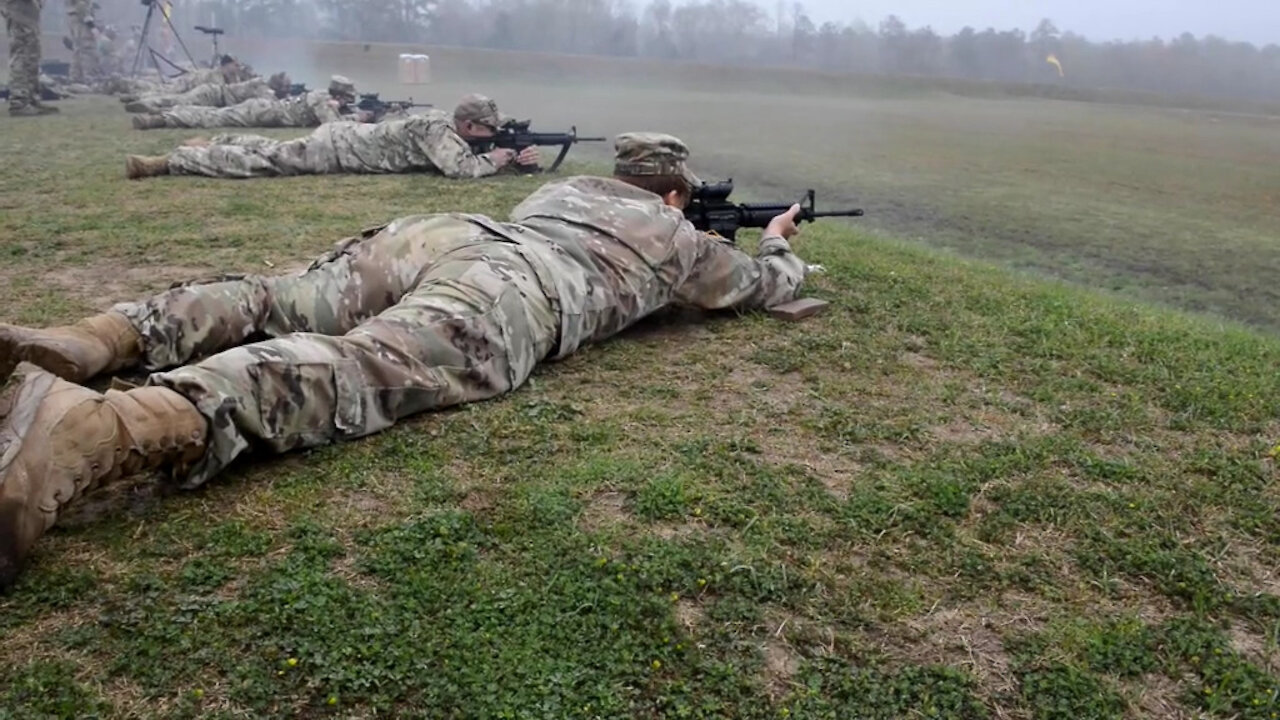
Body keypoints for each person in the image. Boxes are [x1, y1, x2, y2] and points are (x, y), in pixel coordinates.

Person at [0, 132, 818, 590]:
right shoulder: (677, 238)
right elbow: (757, 285)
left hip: (447, 233)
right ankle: (96, 429)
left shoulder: (562, 194)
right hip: (514, 289)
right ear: (675, 192)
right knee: (358, 367)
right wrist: (775, 243)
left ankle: (94, 339)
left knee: (279, 295)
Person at [124, 93, 541, 180]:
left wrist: (516, 156)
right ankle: (170, 162)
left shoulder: (445, 123)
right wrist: (497, 160)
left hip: (341, 138)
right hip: (338, 150)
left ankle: (211, 143)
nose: (493, 133)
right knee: (266, 162)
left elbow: (470, 151)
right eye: (488, 128)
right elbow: (460, 169)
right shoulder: (438, 131)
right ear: (469, 127)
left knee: (273, 149)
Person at [130, 74, 357, 130]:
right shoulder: (323, 100)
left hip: (263, 108)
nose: (348, 102)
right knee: (214, 118)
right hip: (263, 112)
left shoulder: (320, 95)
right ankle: (159, 119)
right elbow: (333, 127)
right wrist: (359, 117)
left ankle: (167, 111)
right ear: (338, 95)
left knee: (214, 114)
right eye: (346, 98)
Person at [3, 0, 58, 116]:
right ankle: (19, 101)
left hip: (27, 8)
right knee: (22, 51)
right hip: (18, 6)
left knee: (31, 52)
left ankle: (31, 99)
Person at [121, 74, 279, 113]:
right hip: (213, 95)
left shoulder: (257, 83)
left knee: (177, 99)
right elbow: (270, 102)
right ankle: (146, 104)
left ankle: (141, 100)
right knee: (178, 102)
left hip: (211, 92)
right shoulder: (260, 86)